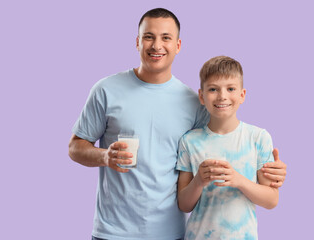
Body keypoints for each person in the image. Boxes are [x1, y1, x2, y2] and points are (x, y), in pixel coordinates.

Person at [68, 8, 287, 240]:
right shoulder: (106, 90)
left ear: (178, 45)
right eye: (149, 37)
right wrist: (105, 157)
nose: (156, 45)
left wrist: (270, 173)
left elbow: (222, 139)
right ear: (137, 42)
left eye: (166, 38)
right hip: (112, 232)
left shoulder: (194, 102)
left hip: (170, 233)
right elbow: (75, 147)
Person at [176, 56, 279, 239]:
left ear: (242, 95)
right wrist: (198, 180)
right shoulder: (189, 141)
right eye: (213, 89)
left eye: (230, 88)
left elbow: (271, 199)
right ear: (201, 96)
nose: (222, 96)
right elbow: (184, 205)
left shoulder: (258, 138)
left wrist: (238, 180)